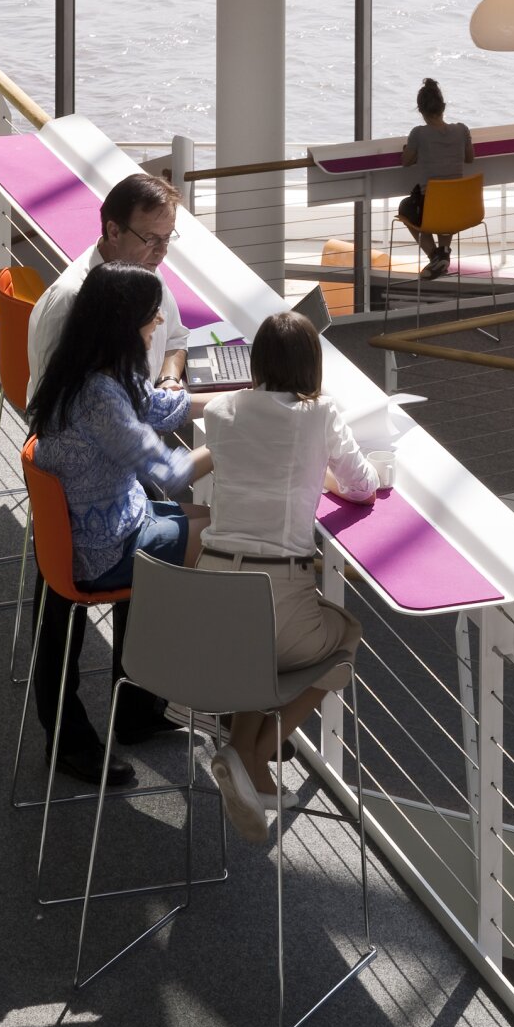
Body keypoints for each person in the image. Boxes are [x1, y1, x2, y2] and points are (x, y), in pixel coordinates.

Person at [26, 262, 213, 786]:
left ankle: (142, 699)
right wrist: (232, 439)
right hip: (100, 547)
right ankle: (215, 691)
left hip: (98, 522)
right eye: (152, 314)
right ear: (126, 321)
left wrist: (236, 402)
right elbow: (171, 473)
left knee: (201, 522)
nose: (159, 322)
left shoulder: (93, 366)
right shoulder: (101, 398)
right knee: (217, 536)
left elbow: (159, 409)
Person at [195, 312, 379, 840]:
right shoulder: (319, 413)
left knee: (259, 646)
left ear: (256, 363)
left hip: (210, 600)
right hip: (276, 594)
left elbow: (255, 461)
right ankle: (258, 748)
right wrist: (321, 470)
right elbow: (362, 486)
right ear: (310, 367)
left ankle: (246, 758)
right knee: (343, 635)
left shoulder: (223, 409)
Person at [27, 172, 189, 397]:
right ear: (114, 231)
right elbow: (55, 400)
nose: (162, 251)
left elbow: (175, 337)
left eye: (167, 237)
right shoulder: (70, 298)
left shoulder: (147, 268)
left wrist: (168, 380)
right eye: (151, 238)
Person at [396, 78, 475, 280]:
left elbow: (406, 161)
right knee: (446, 201)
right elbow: (470, 158)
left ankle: (435, 257)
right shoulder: (462, 130)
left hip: (431, 207)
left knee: (405, 208)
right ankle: (444, 253)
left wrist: (409, 150)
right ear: (443, 107)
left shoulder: (418, 134)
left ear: (420, 110)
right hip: (460, 207)